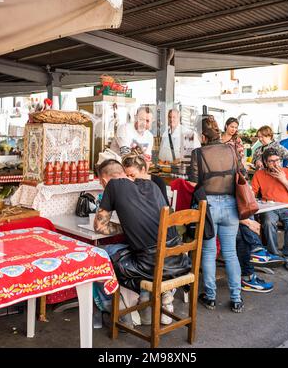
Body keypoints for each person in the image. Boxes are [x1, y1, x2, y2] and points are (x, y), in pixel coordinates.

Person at [93, 159, 191, 325]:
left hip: (149, 266)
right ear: (124, 172)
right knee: (128, 249)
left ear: (103, 180)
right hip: (178, 260)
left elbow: (99, 227)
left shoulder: (112, 186)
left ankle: (120, 314)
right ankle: (146, 305)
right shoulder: (151, 185)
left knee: (96, 256)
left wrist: (124, 227)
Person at [189, 116, 243, 313]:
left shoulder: (198, 153)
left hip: (208, 206)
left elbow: (193, 184)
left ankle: (210, 297)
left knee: (209, 253)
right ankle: (236, 299)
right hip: (231, 205)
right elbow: (242, 173)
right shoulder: (232, 149)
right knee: (230, 253)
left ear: (203, 136)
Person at [251, 147, 288, 272]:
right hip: (269, 207)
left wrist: (283, 180)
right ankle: (274, 254)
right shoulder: (259, 174)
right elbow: (252, 194)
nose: (276, 163)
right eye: (271, 161)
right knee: (267, 222)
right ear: (265, 162)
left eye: (277, 160)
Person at [236, 218, 283, 293]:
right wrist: (248, 222)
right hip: (217, 224)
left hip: (230, 221)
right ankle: (257, 250)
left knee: (243, 231)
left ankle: (248, 278)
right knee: (243, 229)